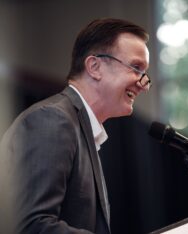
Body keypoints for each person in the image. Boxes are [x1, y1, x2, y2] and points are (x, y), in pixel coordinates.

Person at [0, 18, 151, 234]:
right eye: (136, 68)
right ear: (94, 67)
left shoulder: (79, 127)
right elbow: (31, 225)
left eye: (145, 75)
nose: (143, 85)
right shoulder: (52, 119)